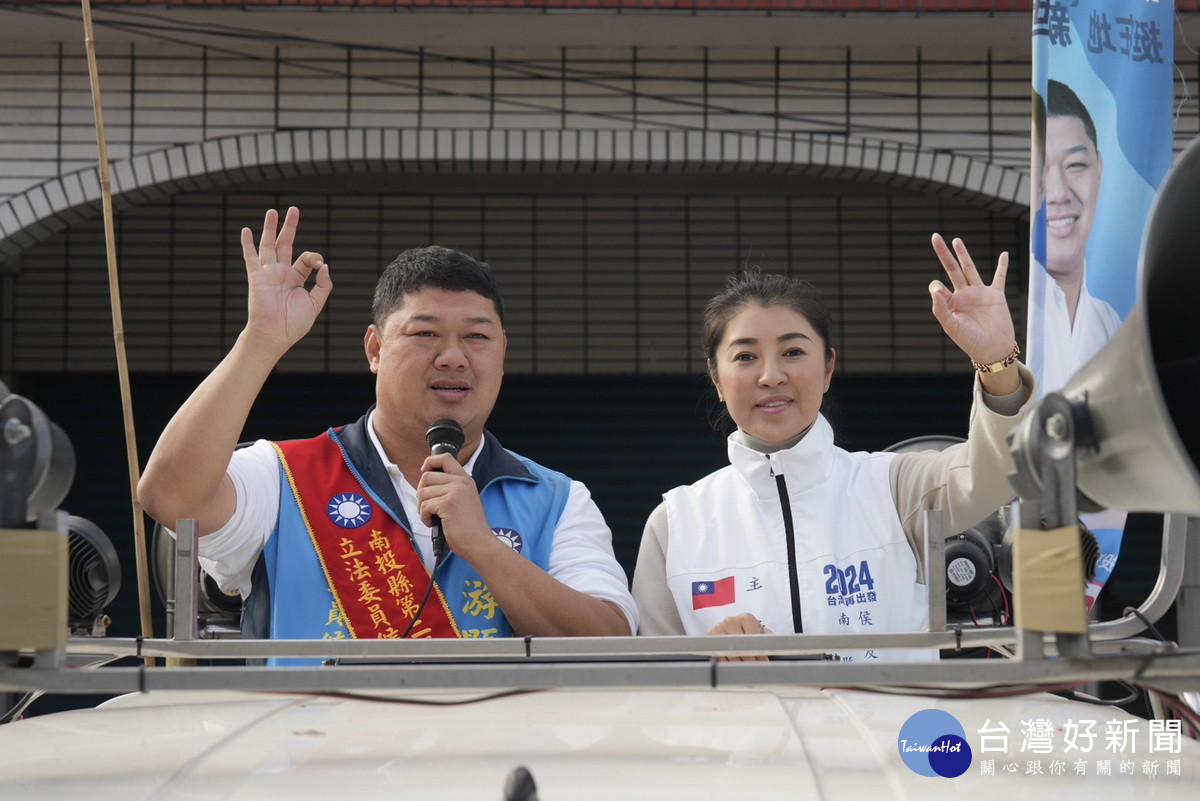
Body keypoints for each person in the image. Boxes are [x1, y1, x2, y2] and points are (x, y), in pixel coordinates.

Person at [138, 207, 636, 658]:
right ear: (375, 349)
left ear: (502, 354)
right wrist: (261, 341)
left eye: (477, 337)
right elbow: (169, 496)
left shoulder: (556, 498)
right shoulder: (285, 475)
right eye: (425, 334)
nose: (453, 356)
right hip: (313, 752)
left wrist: (483, 547)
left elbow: (611, 645)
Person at [631, 235, 1034, 662]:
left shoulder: (896, 487)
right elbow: (655, 687)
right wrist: (713, 671)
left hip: (889, 730)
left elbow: (995, 472)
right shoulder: (674, 526)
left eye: (793, 351)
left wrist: (998, 364)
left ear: (828, 369)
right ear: (716, 379)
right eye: (745, 357)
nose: (771, 375)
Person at [1037, 79, 1121, 394]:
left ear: (1099, 168)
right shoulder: (1011, 316)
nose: (1058, 193)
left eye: (1075, 165)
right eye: (1040, 171)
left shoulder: (1118, 318)